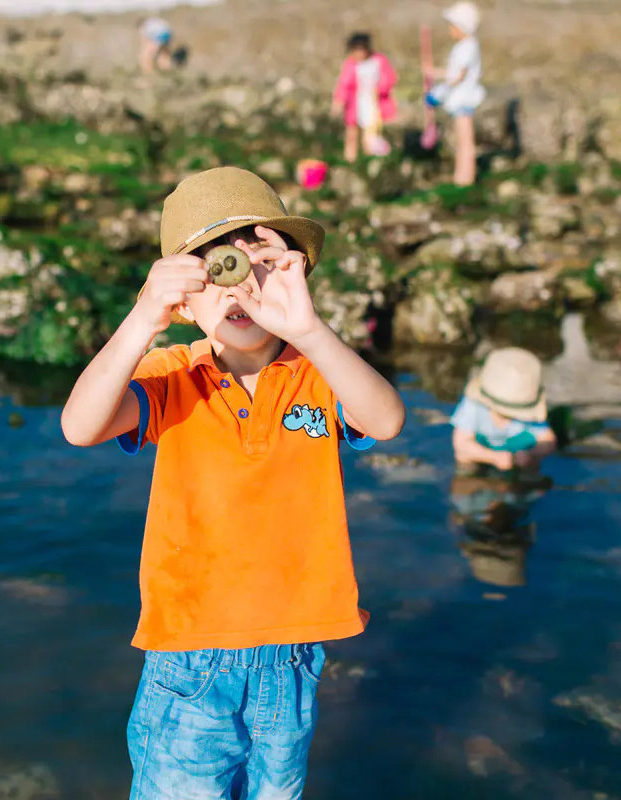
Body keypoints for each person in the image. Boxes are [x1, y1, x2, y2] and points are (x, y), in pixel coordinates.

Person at [60, 166, 405, 799]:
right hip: (190, 657)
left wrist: (305, 326)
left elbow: (384, 419)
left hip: (293, 654)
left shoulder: (319, 372)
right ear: (184, 304)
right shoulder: (171, 377)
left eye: (260, 260)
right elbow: (80, 427)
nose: (238, 283)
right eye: (215, 266)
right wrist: (141, 319)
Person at [451, 347, 556, 472]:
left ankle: (524, 483)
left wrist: (530, 454)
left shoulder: (530, 416)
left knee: (530, 467)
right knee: (464, 457)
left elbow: (549, 441)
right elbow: (461, 443)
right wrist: (493, 457)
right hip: (482, 446)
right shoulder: (475, 406)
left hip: (519, 451)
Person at [426, 2, 486, 185]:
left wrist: (438, 91)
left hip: (463, 98)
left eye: (453, 25)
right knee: (462, 139)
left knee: (465, 140)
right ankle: (461, 174)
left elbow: (457, 76)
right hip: (460, 97)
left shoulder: (467, 47)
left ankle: (465, 177)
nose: (450, 29)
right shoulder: (463, 46)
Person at [332, 32, 398, 163]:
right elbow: (343, 84)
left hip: (374, 103)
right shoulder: (350, 64)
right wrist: (338, 101)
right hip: (355, 103)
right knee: (352, 133)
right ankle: (350, 160)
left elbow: (390, 78)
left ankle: (369, 161)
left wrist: (379, 89)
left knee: (371, 134)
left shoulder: (379, 60)